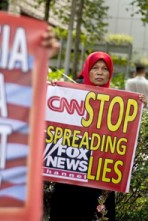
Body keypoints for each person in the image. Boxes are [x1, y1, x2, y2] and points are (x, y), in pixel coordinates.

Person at [48, 51, 146, 221]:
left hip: (100, 178)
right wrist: (51, 90)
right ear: (87, 70)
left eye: (105, 69)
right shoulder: (70, 94)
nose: (100, 72)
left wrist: (139, 106)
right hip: (70, 177)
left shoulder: (120, 103)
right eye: (95, 68)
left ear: (110, 73)